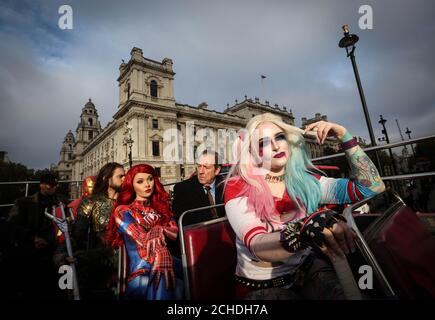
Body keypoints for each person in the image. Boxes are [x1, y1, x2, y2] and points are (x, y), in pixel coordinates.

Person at [224, 113, 385, 300]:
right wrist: (303, 230)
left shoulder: (306, 182)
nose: (276, 146)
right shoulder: (238, 186)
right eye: (263, 143)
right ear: (251, 153)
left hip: (309, 270)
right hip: (263, 286)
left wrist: (344, 135)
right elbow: (258, 245)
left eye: (280, 137)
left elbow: (372, 188)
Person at [105, 164, 184, 300]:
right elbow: (143, 239)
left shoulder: (162, 208)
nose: (147, 184)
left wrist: (158, 229)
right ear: (132, 185)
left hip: (168, 264)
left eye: (150, 179)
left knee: (186, 278)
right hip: (141, 271)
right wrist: (161, 252)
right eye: (140, 181)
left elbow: (174, 233)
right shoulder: (123, 211)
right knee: (167, 282)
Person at [7, 173, 65, 298]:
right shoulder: (24, 203)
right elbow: (12, 225)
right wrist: (33, 238)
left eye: (56, 185)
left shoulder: (61, 202)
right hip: (30, 250)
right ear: (42, 185)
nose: (53, 188)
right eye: (51, 185)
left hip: (54, 249)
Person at [72, 162, 125, 299]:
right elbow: (78, 234)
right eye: (121, 176)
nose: (125, 179)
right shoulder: (90, 202)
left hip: (130, 251)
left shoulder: (129, 201)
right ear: (106, 178)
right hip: (103, 254)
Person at [170, 150, 226, 257]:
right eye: (199, 166)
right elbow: (185, 224)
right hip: (199, 244)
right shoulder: (182, 189)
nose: (201, 171)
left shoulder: (226, 185)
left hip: (225, 240)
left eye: (206, 167)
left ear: (217, 170)